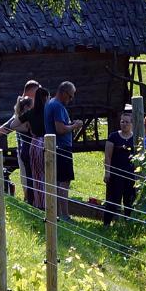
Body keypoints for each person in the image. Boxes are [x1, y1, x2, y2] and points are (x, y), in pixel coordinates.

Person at [45, 82, 84, 215]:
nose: (71, 99)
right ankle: (64, 214)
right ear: (63, 92)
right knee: (64, 182)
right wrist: (75, 125)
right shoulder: (57, 106)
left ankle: (57, 212)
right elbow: (60, 129)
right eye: (70, 96)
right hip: (62, 148)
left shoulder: (52, 103)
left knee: (57, 181)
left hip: (56, 147)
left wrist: (71, 125)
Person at [103, 110, 137, 225]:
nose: (124, 124)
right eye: (122, 122)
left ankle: (128, 224)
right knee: (113, 200)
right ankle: (106, 224)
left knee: (130, 201)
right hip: (115, 174)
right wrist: (107, 172)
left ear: (132, 124)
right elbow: (108, 156)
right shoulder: (113, 137)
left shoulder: (135, 138)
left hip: (130, 174)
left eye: (127, 122)